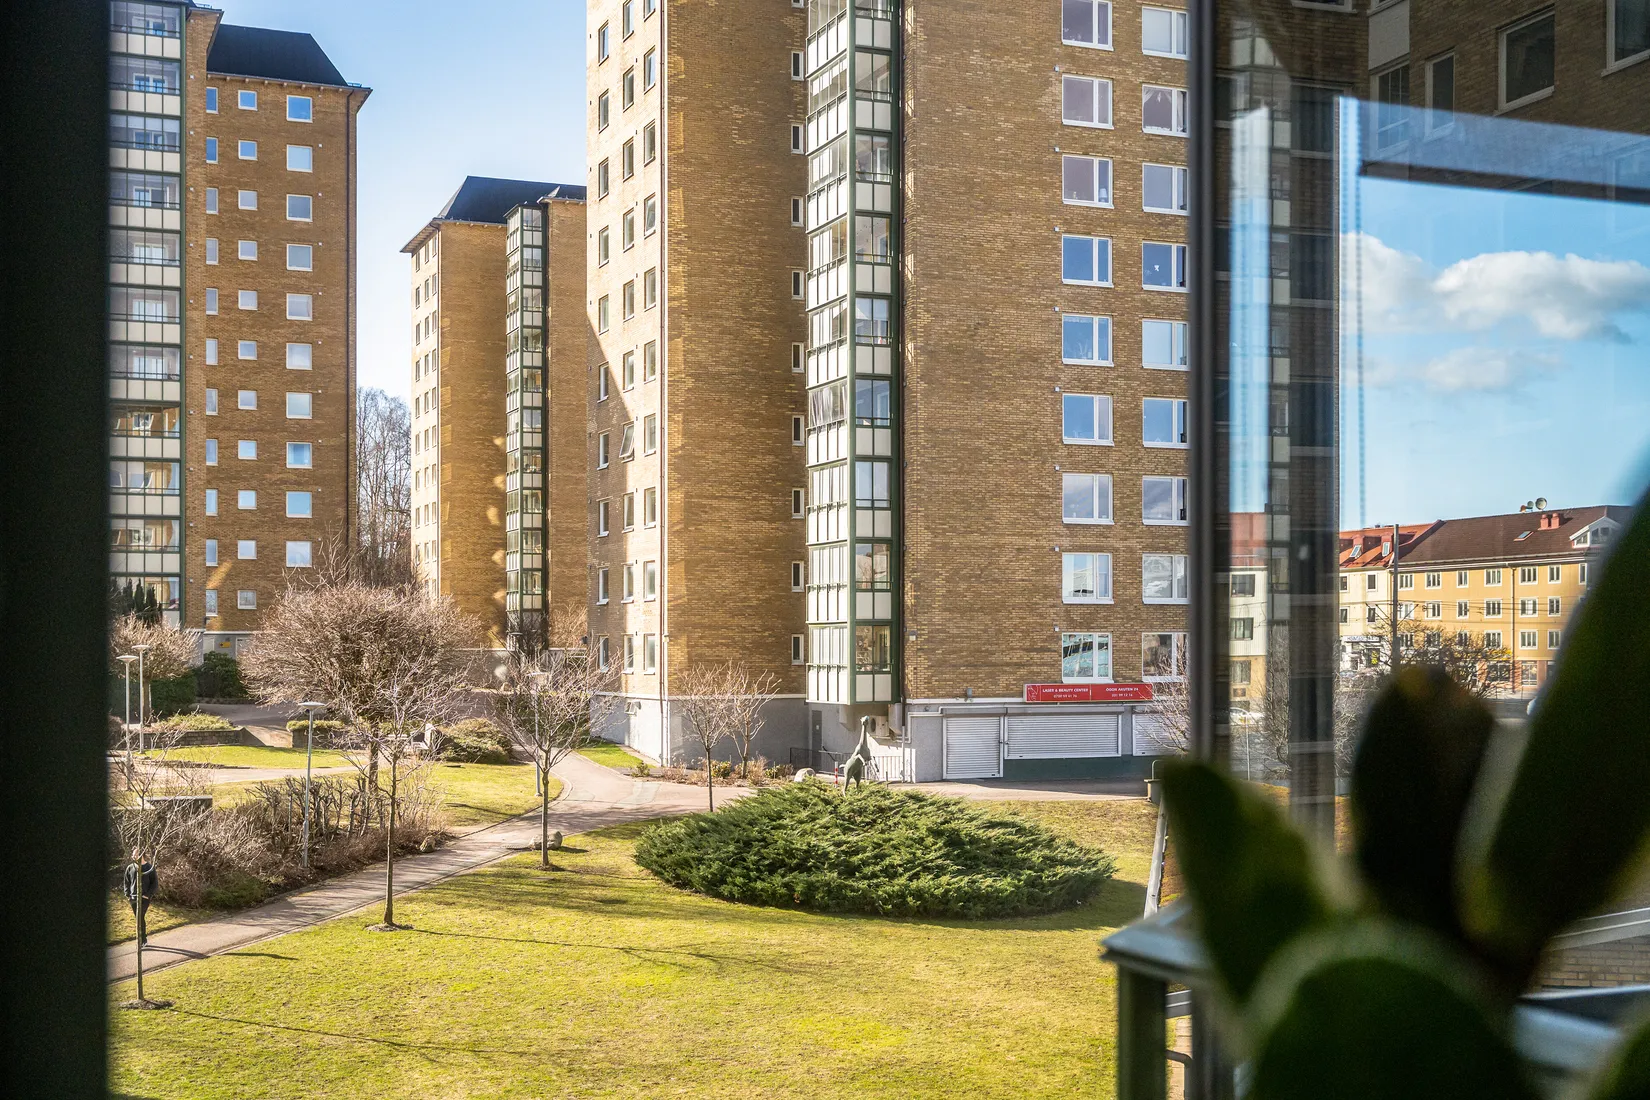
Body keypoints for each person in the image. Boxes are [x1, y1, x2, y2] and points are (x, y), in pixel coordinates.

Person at [123, 848, 158, 945]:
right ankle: (142, 939)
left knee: (140, 917)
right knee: (139, 918)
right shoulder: (130, 867)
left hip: (144, 898)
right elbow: (126, 882)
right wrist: (128, 895)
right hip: (133, 898)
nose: (133, 856)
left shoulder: (149, 868)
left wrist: (147, 895)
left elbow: (154, 884)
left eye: (135, 855)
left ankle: (142, 940)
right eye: (133, 855)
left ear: (141, 855)